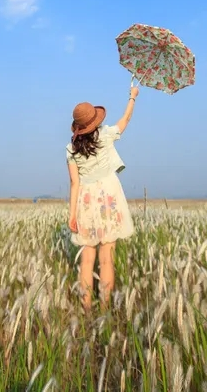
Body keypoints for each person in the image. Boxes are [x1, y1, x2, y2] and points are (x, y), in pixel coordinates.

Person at [66, 85, 139, 312]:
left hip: (85, 201)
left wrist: (72, 214)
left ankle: (86, 310)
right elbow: (125, 120)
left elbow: (74, 183)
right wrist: (132, 97)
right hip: (109, 197)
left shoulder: (71, 149)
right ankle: (106, 309)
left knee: (87, 260)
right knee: (107, 258)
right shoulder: (106, 135)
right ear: (95, 121)